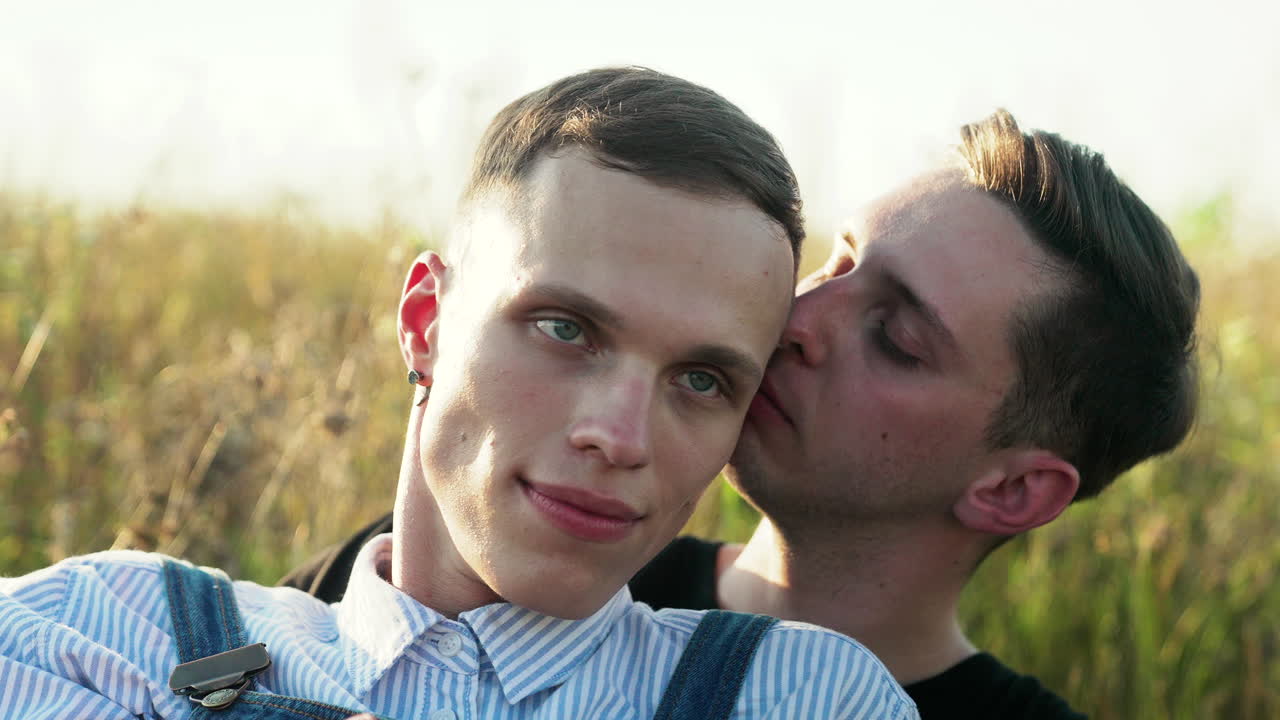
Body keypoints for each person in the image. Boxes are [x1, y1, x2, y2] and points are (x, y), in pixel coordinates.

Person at [0, 68, 918, 720]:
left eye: (702, 380)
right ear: (425, 322)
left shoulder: (800, 697)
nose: (621, 435)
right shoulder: (110, 634)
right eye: (566, 329)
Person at [284, 109, 1201, 719]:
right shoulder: (503, 556)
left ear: (1013, 490)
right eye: (837, 265)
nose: (795, 322)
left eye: (894, 337)